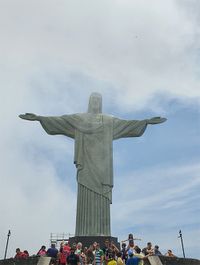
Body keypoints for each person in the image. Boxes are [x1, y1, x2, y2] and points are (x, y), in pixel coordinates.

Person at [19, 92, 166, 237]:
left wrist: (145, 122)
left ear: (101, 103)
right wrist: (39, 118)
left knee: (101, 196)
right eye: (93, 99)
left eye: (98, 100)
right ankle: (83, 232)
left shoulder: (109, 121)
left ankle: (103, 232)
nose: (96, 102)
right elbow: (60, 121)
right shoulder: (79, 119)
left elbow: (127, 125)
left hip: (103, 167)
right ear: (89, 101)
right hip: (86, 166)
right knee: (85, 196)